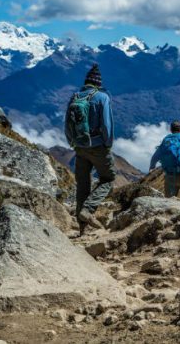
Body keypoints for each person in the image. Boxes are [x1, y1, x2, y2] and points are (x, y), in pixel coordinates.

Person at [64, 63, 115, 234]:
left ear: (86, 82)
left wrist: (73, 142)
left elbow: (67, 124)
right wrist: (107, 144)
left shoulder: (75, 96)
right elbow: (107, 126)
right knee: (108, 179)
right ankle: (88, 209)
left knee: (83, 185)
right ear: (98, 84)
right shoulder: (102, 97)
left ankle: (82, 228)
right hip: (98, 145)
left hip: (79, 147)